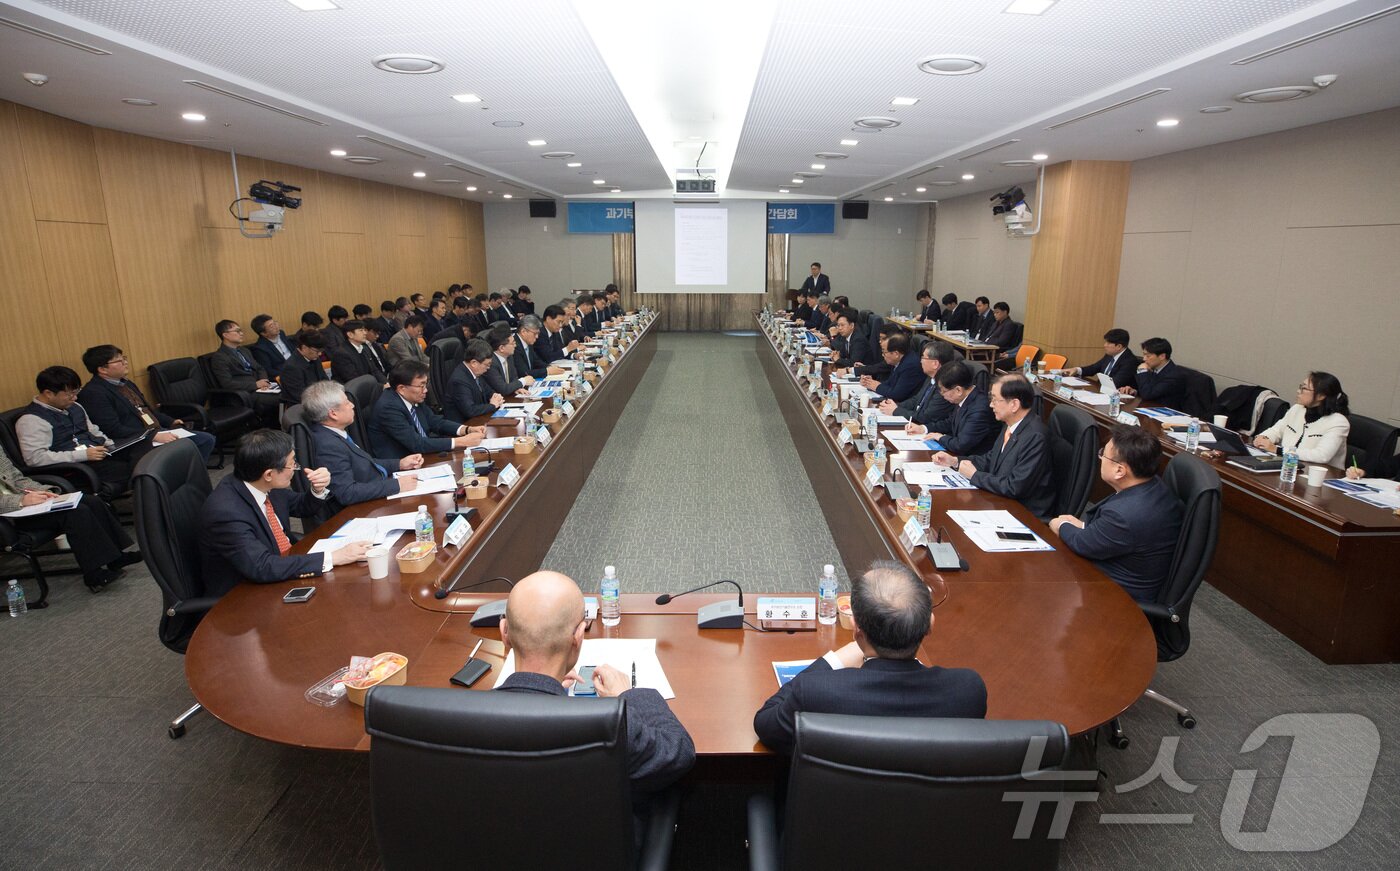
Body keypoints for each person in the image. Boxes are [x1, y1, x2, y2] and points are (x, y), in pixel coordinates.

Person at [497, 570, 695, 801]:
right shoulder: (606, 726)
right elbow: (677, 752)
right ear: (579, 636)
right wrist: (627, 696)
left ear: (504, 632)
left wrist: (545, 687)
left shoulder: (456, 718)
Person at [753, 560, 985, 755]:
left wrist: (840, 657)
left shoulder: (815, 692)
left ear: (857, 630)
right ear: (930, 625)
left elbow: (766, 724)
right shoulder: (968, 691)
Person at [199, 428, 369, 599]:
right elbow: (261, 567)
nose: (295, 469)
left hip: (283, 568)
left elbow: (302, 506)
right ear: (269, 474)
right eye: (292, 463)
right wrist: (334, 557)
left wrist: (318, 489)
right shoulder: (226, 512)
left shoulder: (261, 482)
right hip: (246, 596)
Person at [1051, 426, 1183, 603]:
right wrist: (1083, 527)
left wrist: (1061, 524)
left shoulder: (1124, 515)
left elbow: (1081, 544)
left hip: (1116, 597)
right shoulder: (1152, 485)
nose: (1100, 459)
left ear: (1120, 470)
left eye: (1103, 455)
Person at [0, 450, 141, 591]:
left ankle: (116, 558)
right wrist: (20, 500)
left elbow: (17, 478)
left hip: (26, 504)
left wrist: (44, 491)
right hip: (8, 516)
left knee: (92, 501)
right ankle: (94, 574)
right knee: (76, 512)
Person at [935, 374, 1056, 519]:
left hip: (1023, 513)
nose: (991, 404)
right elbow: (991, 459)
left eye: (995, 400)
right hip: (1001, 500)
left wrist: (975, 475)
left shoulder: (1036, 437)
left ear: (1014, 405)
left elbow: (1014, 487)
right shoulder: (1010, 425)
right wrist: (955, 461)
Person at [77, 345, 216, 464]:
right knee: (193, 444)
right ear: (102, 369)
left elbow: (147, 410)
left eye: (124, 358)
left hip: (156, 431)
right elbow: (113, 429)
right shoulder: (94, 393)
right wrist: (151, 436)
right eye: (119, 361)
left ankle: (190, 476)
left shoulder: (126, 383)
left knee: (205, 440)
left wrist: (170, 420)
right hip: (136, 440)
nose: (125, 363)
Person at [16, 366, 132, 500]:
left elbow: (92, 430)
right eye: (69, 394)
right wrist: (82, 455)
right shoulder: (31, 420)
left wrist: (110, 444)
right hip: (76, 470)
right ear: (48, 393)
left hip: (100, 457)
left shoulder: (75, 406)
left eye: (76, 392)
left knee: (142, 456)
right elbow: (35, 458)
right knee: (138, 470)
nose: (75, 397)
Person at [303, 381, 422, 507]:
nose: (352, 405)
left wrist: (400, 463)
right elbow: (347, 493)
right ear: (333, 414)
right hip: (364, 509)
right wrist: (397, 485)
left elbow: (363, 465)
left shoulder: (334, 432)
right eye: (347, 402)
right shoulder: (327, 445)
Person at [368, 361, 485, 461]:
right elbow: (417, 444)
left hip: (423, 454)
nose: (425, 391)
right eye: (421, 386)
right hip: (403, 463)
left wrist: (467, 429)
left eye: (426, 384)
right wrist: (461, 441)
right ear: (402, 389)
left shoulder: (412, 397)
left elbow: (435, 422)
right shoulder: (388, 409)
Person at [1252, 371, 1351, 468]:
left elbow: (1322, 456)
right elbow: (1277, 430)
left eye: (1304, 388)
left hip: (1319, 476)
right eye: (1300, 387)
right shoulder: (1297, 409)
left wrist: (1277, 450)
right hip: (1288, 467)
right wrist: (1263, 437)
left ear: (1321, 396)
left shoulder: (1338, 422)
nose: (1298, 391)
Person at [910, 360, 997, 455]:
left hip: (970, 460)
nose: (942, 395)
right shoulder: (965, 397)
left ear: (958, 390)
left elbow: (961, 444)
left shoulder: (980, 409)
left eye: (943, 391)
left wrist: (940, 437)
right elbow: (950, 422)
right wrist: (924, 428)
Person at [207, 319, 279, 423]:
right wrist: (255, 385)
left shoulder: (244, 350)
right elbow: (227, 383)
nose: (241, 333)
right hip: (245, 394)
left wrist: (263, 380)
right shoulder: (220, 357)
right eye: (237, 331)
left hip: (261, 388)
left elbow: (259, 368)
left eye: (241, 331)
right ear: (225, 335)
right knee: (282, 398)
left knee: (289, 390)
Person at [880, 340, 959, 433]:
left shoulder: (945, 388)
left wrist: (896, 411)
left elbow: (925, 418)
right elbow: (916, 400)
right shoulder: (931, 377)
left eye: (923, 357)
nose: (920, 361)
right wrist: (895, 406)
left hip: (932, 432)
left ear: (935, 364)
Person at [1059, 328, 1139, 390]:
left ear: (1119, 346)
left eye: (1108, 343)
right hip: (1101, 391)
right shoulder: (1110, 355)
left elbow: (1115, 383)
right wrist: (1077, 369)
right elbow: (1094, 368)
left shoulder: (1130, 361)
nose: (1104, 345)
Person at [446, 339, 505, 421]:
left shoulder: (476, 372)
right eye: (487, 365)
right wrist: (492, 405)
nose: (488, 368)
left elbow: (488, 391)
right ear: (474, 363)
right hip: (466, 425)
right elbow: (470, 410)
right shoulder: (459, 381)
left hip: (479, 419)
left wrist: (495, 396)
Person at [1121, 337, 1186, 409]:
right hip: (1148, 408)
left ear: (1162, 356)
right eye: (1144, 355)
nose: (1144, 359)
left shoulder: (1173, 375)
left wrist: (1142, 371)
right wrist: (1134, 391)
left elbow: (1147, 394)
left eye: (1148, 356)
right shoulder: (1154, 368)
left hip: (1164, 414)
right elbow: (1148, 389)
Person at [859, 332, 922, 402]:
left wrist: (876, 386)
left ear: (896, 354)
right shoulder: (899, 360)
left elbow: (897, 394)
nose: (883, 355)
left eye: (884, 352)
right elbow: (891, 383)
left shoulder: (910, 366)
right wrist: (871, 383)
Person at [279, 329, 332, 404]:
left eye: (321, 350)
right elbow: (300, 395)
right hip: (301, 404)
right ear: (304, 348)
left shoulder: (314, 357)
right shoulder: (291, 367)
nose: (320, 354)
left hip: (318, 397)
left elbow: (324, 379)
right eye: (317, 351)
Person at [330, 319, 388, 385]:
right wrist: (379, 387)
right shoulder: (341, 353)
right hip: (350, 390)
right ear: (350, 334)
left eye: (364, 330)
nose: (365, 333)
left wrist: (386, 383)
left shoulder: (365, 348)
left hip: (367, 386)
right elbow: (353, 379)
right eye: (361, 330)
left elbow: (374, 370)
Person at [483, 326, 535, 397]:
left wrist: (516, 388)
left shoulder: (509, 356)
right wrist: (523, 381)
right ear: (501, 348)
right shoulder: (491, 363)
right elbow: (503, 389)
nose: (515, 345)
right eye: (512, 343)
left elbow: (513, 378)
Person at [248, 314, 294, 378]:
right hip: (285, 374)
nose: (276, 326)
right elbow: (269, 371)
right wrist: (291, 373)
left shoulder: (281, 333)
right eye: (271, 326)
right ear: (263, 333)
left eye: (275, 323)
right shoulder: (259, 349)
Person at [513, 316, 553, 380]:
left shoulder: (528, 342)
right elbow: (524, 373)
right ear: (523, 331)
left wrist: (549, 367)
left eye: (538, 333)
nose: (537, 337)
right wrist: (547, 371)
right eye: (535, 333)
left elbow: (536, 361)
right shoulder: (514, 346)